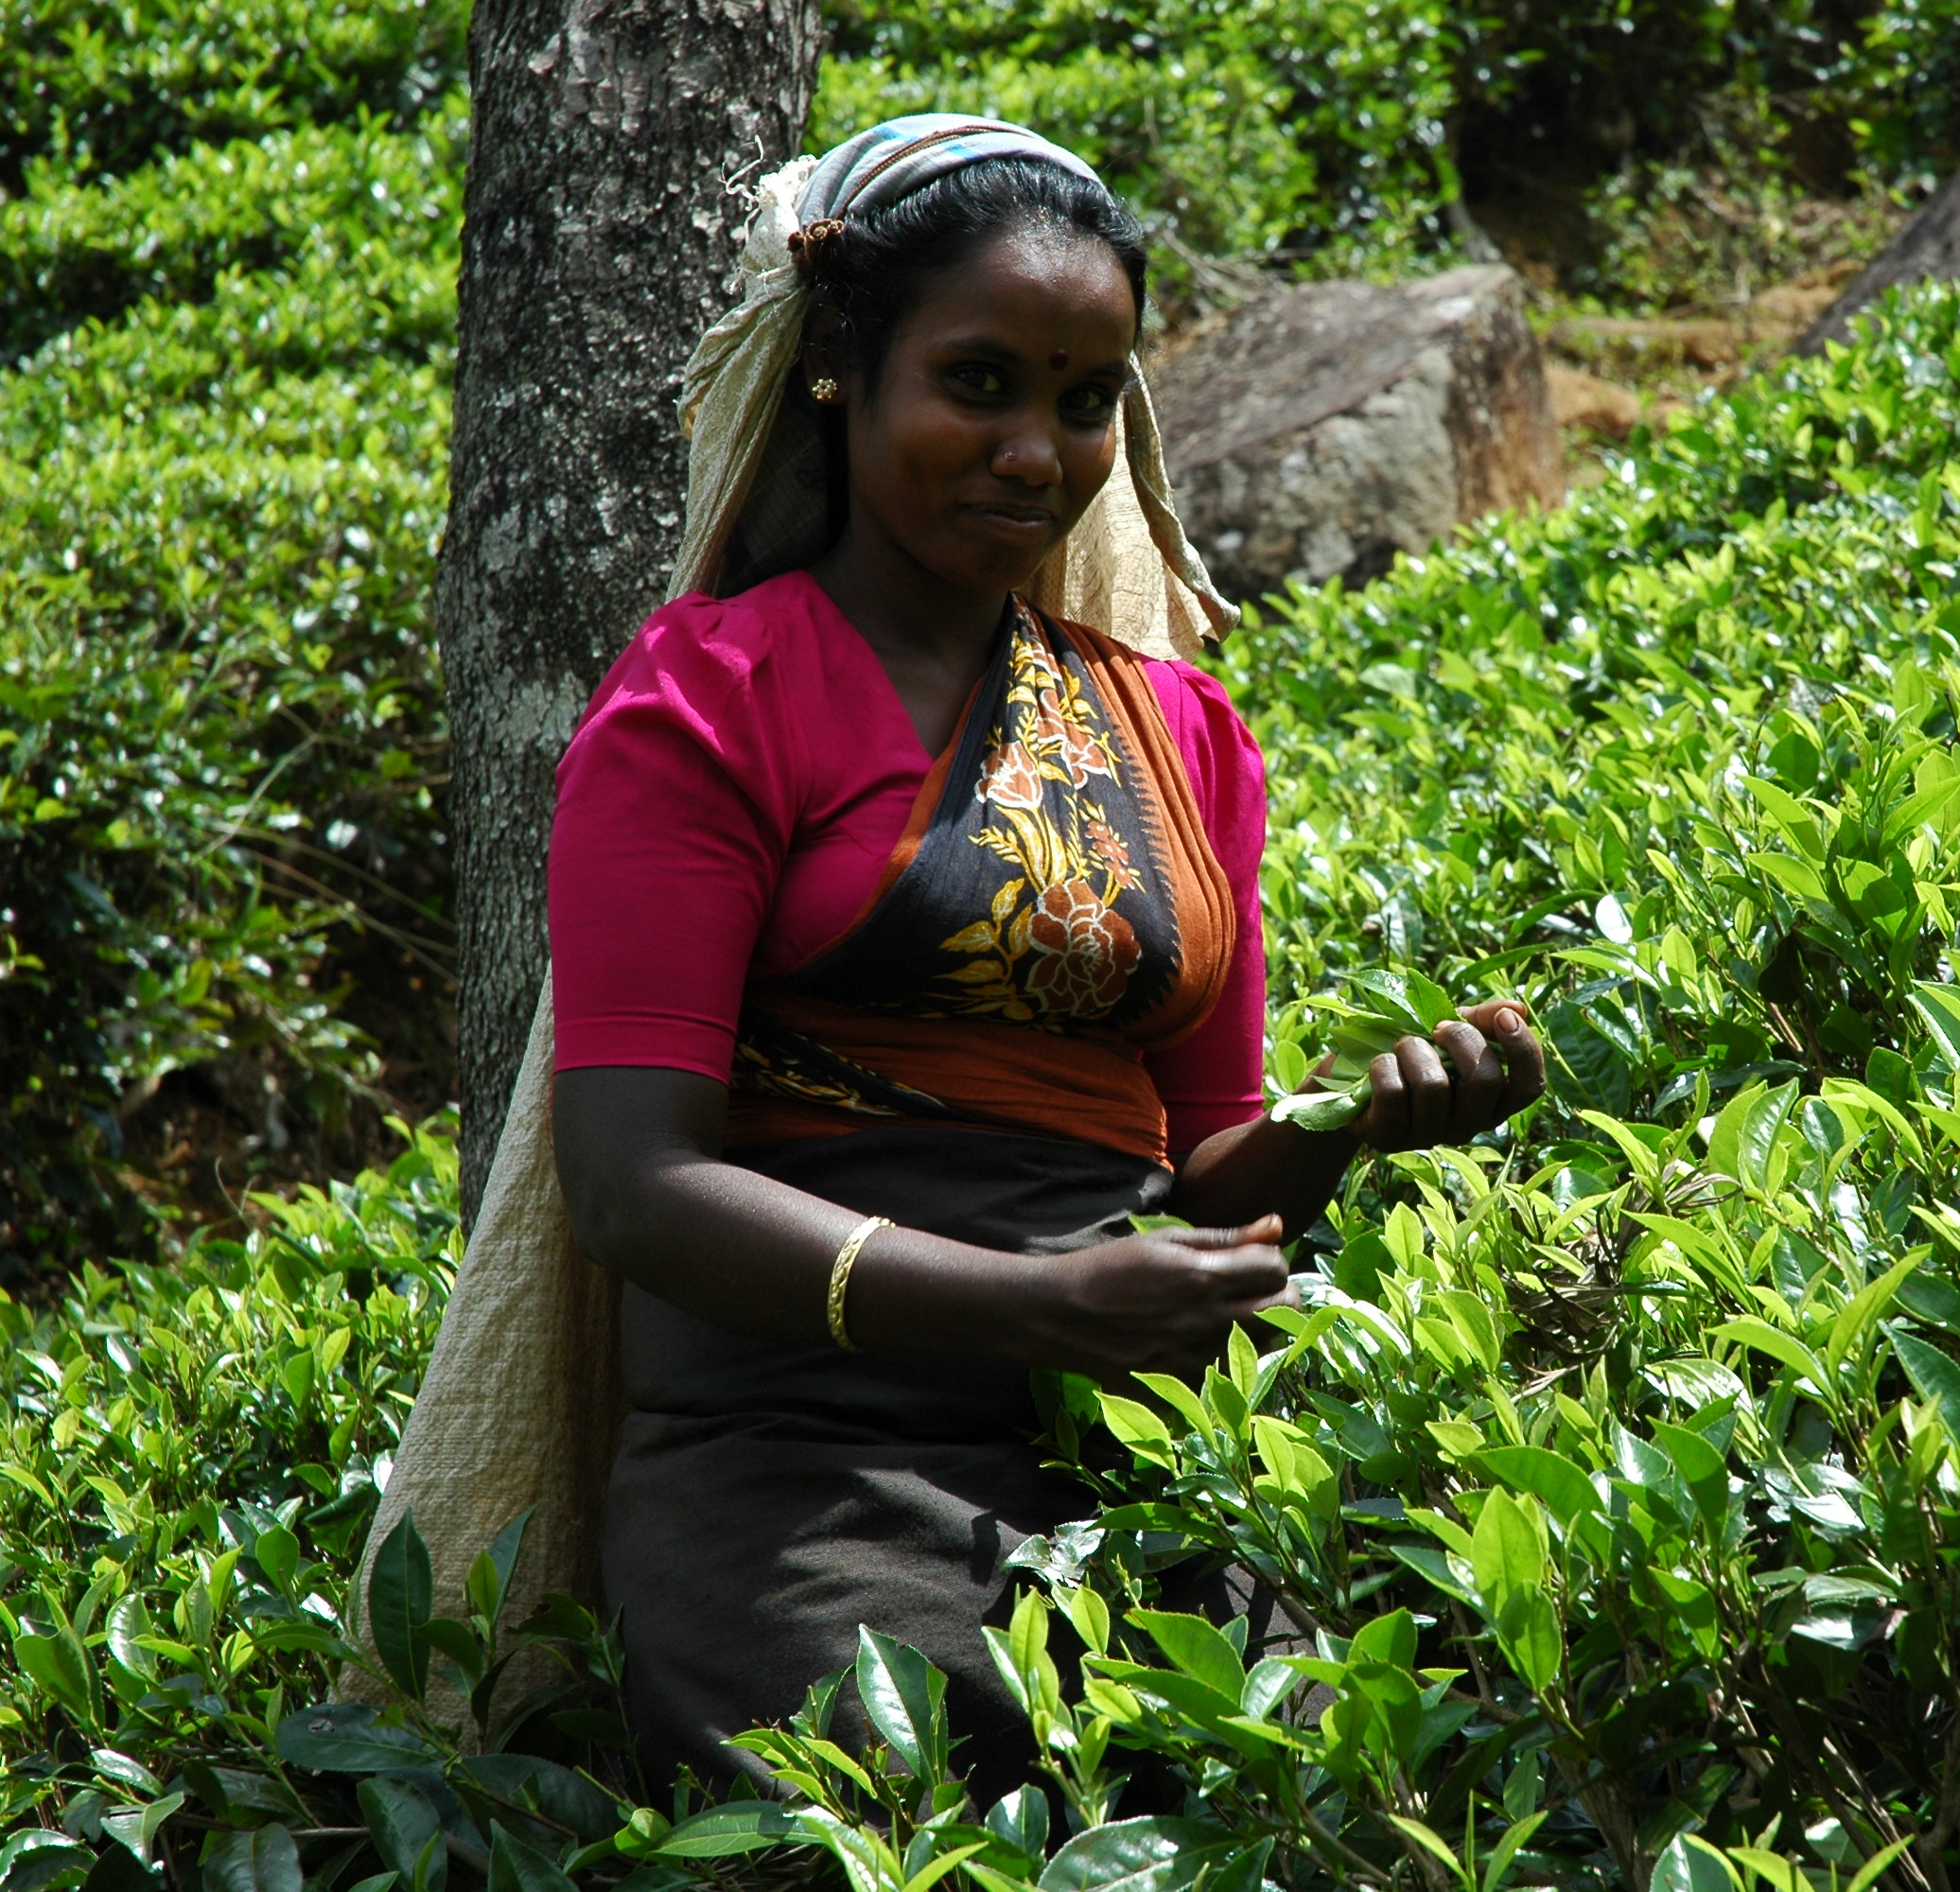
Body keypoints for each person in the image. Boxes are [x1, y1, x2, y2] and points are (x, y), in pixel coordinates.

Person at [542, 115, 1547, 1796]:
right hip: (808, 1458)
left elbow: (1209, 1154)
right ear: (840, 375)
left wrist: (1364, 1129)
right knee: (897, 1808)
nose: (1036, 448)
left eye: (1085, 400)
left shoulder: (1179, 731)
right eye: (981, 381)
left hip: (1135, 1428)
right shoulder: (707, 700)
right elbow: (634, 1185)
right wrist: (1033, 1301)